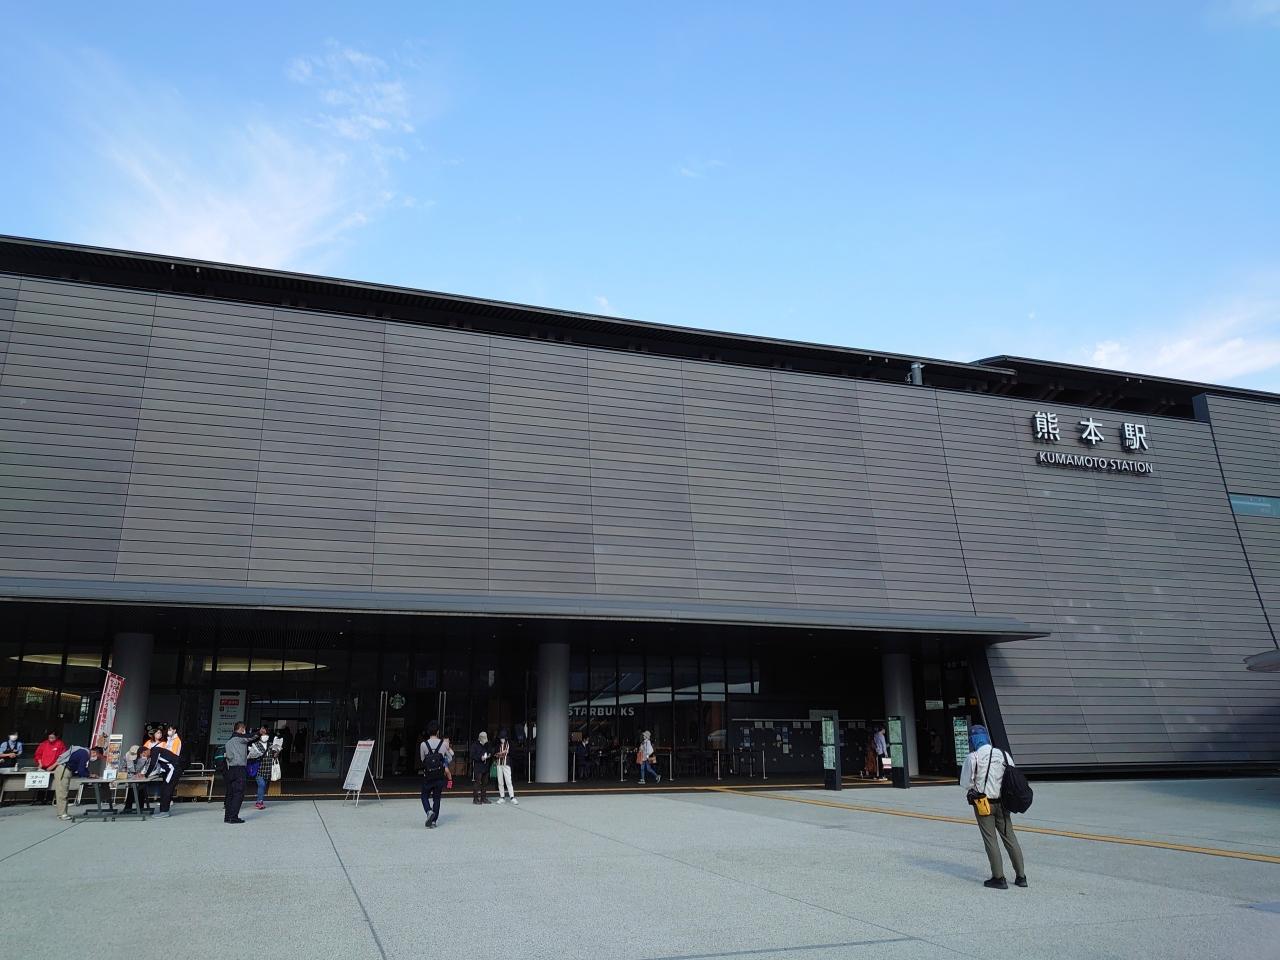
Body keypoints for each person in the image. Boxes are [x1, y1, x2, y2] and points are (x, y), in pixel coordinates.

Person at [961, 724, 1027, 890]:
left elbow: (966, 783)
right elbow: (1012, 776)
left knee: (990, 840)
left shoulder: (973, 757)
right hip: (1003, 803)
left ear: (973, 740)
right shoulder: (1004, 754)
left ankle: (999, 878)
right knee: (1010, 838)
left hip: (984, 804)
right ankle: (1021, 877)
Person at [420, 721, 452, 828]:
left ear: (428, 732)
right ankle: (434, 822)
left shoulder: (423, 744)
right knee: (437, 798)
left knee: (424, 795)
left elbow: (422, 759)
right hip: (439, 775)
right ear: (438, 732)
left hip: (428, 775)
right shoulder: (443, 744)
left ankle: (429, 811)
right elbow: (450, 758)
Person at [222, 721, 253, 824]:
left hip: (230, 769)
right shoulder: (240, 739)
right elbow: (251, 737)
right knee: (238, 793)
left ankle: (227, 817)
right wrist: (259, 733)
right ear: (241, 729)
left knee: (230, 793)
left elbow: (229, 756)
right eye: (244, 729)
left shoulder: (228, 742)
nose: (245, 732)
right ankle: (233, 817)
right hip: (240, 769)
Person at [52, 743, 91, 821]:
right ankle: (62, 814)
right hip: (63, 771)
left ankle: (63, 812)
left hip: (63, 770)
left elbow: (81, 768)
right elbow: (81, 769)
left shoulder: (80, 751)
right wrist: (89, 775)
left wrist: (88, 774)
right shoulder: (84, 753)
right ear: (91, 752)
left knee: (63, 792)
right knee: (62, 793)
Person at [144, 741, 182, 818]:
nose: (144, 757)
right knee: (164, 788)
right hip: (172, 769)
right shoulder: (156, 752)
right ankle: (163, 810)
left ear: (145, 751)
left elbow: (153, 765)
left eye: (143, 755)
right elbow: (158, 768)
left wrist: (146, 775)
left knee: (166, 788)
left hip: (174, 768)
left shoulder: (155, 751)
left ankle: (164, 811)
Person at [247, 726, 278, 811]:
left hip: (267, 769)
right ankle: (259, 802)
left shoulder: (271, 745)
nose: (265, 736)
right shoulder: (255, 745)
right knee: (262, 785)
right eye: (263, 734)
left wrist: (277, 750)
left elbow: (274, 756)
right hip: (259, 769)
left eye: (266, 734)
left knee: (263, 786)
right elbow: (250, 757)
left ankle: (260, 800)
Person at [33, 731, 66, 804]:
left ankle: (49, 799)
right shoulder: (44, 744)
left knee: (52, 783)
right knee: (41, 782)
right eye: (49, 737)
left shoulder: (60, 744)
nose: (51, 739)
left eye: (52, 737)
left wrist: (53, 766)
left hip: (54, 767)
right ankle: (39, 799)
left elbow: (62, 757)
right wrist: (40, 764)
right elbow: (38, 754)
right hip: (43, 767)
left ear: (56, 737)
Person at [119, 745, 152, 814]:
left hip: (141, 776)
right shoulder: (127, 756)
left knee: (141, 789)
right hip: (130, 776)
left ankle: (140, 808)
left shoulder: (145, 756)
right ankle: (128, 808)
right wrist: (125, 773)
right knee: (131, 790)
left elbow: (147, 767)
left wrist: (142, 773)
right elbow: (123, 767)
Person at [494, 728, 517, 804]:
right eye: (501, 738)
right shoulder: (498, 745)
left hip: (507, 764)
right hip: (499, 764)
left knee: (508, 781)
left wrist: (504, 754)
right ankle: (502, 797)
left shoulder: (510, 744)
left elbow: (513, 754)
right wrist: (500, 754)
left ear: (506, 738)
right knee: (500, 781)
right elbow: (495, 754)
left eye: (503, 738)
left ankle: (512, 797)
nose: (502, 739)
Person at [470, 732, 492, 804]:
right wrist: (480, 757)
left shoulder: (487, 744)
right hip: (478, 766)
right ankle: (475, 799)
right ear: (480, 738)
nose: (485, 741)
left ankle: (483, 798)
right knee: (477, 782)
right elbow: (472, 755)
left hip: (486, 766)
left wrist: (489, 755)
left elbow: (490, 751)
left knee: (485, 783)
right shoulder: (475, 745)